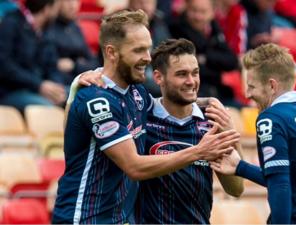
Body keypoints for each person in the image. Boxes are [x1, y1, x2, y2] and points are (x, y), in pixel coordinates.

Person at [52, 10, 240, 224]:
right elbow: (134, 166)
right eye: (139, 50)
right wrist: (199, 151)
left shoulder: (137, 93)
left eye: (148, 48)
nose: (148, 58)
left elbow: (165, 102)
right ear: (112, 52)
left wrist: (206, 102)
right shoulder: (98, 100)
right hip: (83, 219)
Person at [211, 43, 296, 224]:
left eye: (251, 86)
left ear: (272, 86)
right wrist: (240, 167)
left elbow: (281, 185)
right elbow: (295, 180)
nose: (247, 94)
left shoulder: (271, 118)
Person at [134, 38, 244, 224]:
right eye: (182, 74)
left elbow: (236, 189)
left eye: (195, 73)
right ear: (158, 77)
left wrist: (230, 134)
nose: (191, 81)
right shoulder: (142, 117)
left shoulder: (211, 121)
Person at [169, 0, 241, 108]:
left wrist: (205, 57)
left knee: (243, 112)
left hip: (219, 92)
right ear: (186, 8)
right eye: (194, 11)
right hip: (194, 94)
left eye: (203, 12)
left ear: (212, 13)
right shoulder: (176, 29)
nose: (198, 16)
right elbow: (193, 69)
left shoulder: (214, 28)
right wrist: (219, 74)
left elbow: (231, 60)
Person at [0, 0, 66, 112]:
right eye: (56, 7)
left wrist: (56, 87)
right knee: (48, 109)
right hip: (12, 91)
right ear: (47, 9)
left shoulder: (46, 29)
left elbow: (51, 65)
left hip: (39, 88)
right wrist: (39, 85)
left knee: (78, 98)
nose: (58, 11)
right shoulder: (11, 22)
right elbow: (4, 66)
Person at [45, 0, 99, 85]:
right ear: (57, 3)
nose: (73, 5)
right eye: (67, 1)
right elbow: (52, 66)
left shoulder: (75, 28)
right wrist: (81, 63)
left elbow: (94, 63)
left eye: (76, 0)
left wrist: (74, 65)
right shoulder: (48, 28)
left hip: (81, 80)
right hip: (60, 84)